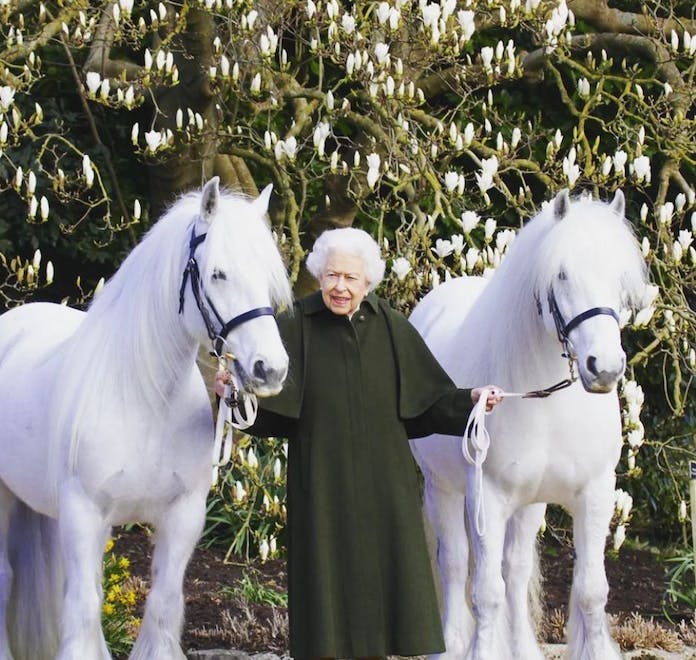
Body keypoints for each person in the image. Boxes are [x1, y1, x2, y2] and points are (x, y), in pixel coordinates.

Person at [215, 227, 502, 660]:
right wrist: (233, 394)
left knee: (384, 602)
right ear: (319, 274)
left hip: (384, 491)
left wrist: (471, 400)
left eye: (350, 278)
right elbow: (267, 411)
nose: (340, 287)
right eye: (332, 275)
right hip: (322, 489)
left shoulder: (390, 326)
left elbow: (427, 402)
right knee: (325, 608)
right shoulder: (295, 324)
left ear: (368, 282)